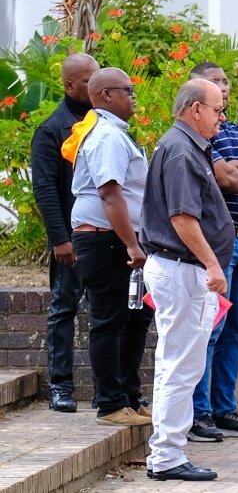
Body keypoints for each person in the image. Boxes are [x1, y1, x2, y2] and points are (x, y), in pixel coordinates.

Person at [140, 79, 233, 482]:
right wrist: (213, 265)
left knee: (175, 365)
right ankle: (167, 455)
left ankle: (165, 452)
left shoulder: (183, 146)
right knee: (182, 367)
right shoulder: (181, 150)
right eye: (217, 110)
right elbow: (182, 217)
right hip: (183, 269)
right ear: (196, 109)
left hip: (179, 269)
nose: (221, 118)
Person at [186, 62, 238, 442]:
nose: (224, 87)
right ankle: (200, 413)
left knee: (237, 329)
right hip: (219, 245)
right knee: (211, 328)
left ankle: (224, 408)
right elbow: (229, 181)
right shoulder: (200, 137)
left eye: (225, 81)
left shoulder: (235, 130)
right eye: (215, 82)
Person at [67, 68, 151, 427]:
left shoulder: (116, 133)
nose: (133, 96)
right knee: (109, 321)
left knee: (133, 320)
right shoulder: (106, 136)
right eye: (127, 90)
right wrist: (131, 244)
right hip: (105, 240)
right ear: (105, 96)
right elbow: (109, 193)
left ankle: (130, 397)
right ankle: (110, 404)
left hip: (120, 239)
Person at [32, 53, 99, 413]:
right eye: (88, 81)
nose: (96, 85)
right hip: (71, 239)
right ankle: (60, 386)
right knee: (64, 310)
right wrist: (60, 239)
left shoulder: (103, 123)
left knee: (105, 313)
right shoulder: (51, 130)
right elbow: (44, 189)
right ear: (70, 86)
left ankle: (107, 390)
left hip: (104, 237)